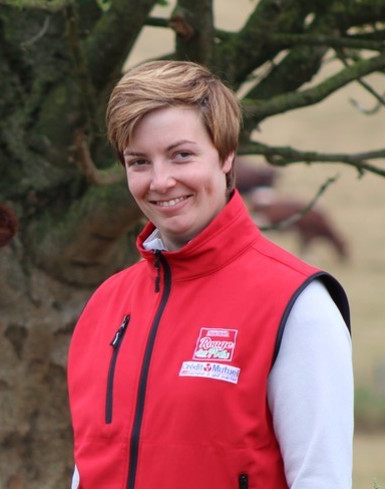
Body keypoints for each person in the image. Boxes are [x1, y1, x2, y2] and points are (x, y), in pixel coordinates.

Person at [67, 60, 352, 489]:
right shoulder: (106, 304)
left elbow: (320, 479)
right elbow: (89, 467)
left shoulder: (298, 305)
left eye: (181, 155)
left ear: (226, 155)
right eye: (139, 161)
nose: (160, 181)